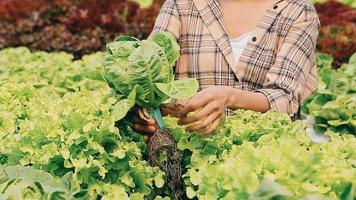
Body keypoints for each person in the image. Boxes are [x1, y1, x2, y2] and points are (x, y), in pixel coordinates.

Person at [131, 0, 320, 137]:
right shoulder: (182, 4)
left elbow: (285, 98)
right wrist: (144, 112)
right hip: (187, 152)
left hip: (264, 152)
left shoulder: (298, 12)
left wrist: (229, 97)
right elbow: (152, 69)